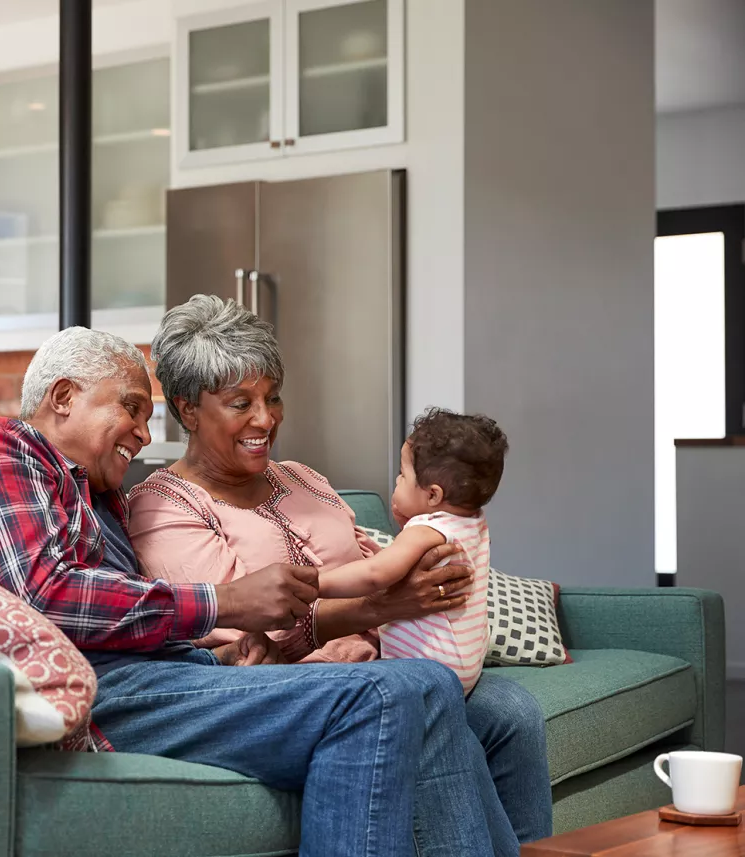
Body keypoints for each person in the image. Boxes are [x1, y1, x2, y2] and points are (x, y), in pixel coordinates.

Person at [0, 326, 522, 857]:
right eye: (131, 408)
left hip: (160, 675)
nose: (140, 430)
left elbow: (130, 610)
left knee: (431, 687)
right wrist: (226, 604)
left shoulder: (94, 494)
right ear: (62, 398)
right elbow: (47, 595)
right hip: (93, 693)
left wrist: (221, 646)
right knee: (387, 696)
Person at [127, 294, 551, 844]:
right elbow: (243, 627)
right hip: (304, 685)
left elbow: (373, 559)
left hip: (385, 656)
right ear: (187, 409)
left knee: (513, 710)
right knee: (428, 712)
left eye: (272, 397)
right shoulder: (164, 507)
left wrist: (422, 586)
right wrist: (380, 610)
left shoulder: (303, 477)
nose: (265, 418)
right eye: (240, 403)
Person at [317, 408, 506, 695]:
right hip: (464, 666)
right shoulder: (473, 522)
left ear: (433, 495)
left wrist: (317, 583)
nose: (396, 481)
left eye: (402, 475)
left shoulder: (426, 530)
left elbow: (375, 574)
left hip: (425, 669)